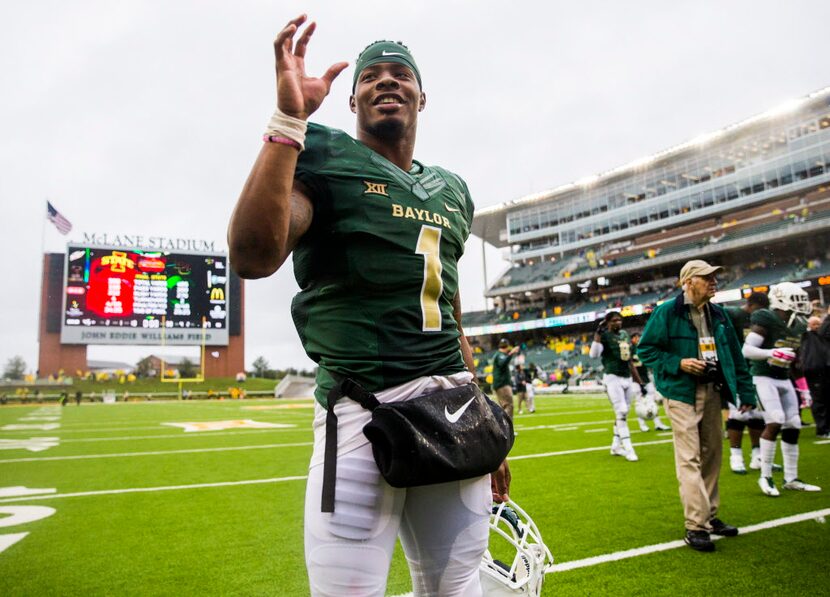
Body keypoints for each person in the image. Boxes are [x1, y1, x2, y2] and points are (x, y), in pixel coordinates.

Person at [227, 15, 510, 596]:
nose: (386, 82)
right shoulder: (324, 156)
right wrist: (288, 122)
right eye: (371, 75)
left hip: (453, 407)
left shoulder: (453, 190)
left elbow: (449, 307)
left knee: (458, 587)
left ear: (422, 96)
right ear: (353, 96)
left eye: (400, 74)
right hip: (362, 412)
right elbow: (253, 256)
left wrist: (481, 412)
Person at [638, 260, 756, 552]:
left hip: (713, 389)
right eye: (707, 277)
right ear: (688, 282)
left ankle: (710, 516)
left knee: (713, 455)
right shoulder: (667, 311)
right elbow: (646, 350)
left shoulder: (720, 314)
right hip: (680, 392)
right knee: (690, 458)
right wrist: (678, 362)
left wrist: (746, 391)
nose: (714, 281)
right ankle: (695, 525)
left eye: (715, 276)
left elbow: (736, 356)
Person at [741, 282, 822, 496]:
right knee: (775, 419)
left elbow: (794, 358)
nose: (802, 304)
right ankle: (765, 477)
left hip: (784, 377)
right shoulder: (766, 318)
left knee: (794, 423)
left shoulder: (799, 323)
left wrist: (802, 388)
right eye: (796, 300)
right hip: (763, 376)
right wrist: (771, 354)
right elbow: (747, 350)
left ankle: (791, 478)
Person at [723, 291, 772, 473]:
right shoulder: (734, 314)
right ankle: (735, 457)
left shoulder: (759, 320)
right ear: (750, 305)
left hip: (754, 369)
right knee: (738, 414)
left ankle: (757, 455)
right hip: (735, 369)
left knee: (757, 415)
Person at [590, 311, 643, 462]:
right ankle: (628, 447)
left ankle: (615, 445)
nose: (617, 323)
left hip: (626, 376)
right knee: (622, 411)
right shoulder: (605, 336)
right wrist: (598, 334)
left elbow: (630, 361)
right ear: (607, 323)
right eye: (614, 320)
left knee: (623, 414)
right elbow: (594, 354)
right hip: (612, 377)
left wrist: (639, 382)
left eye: (619, 320)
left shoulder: (625, 335)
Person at [630, 332, 671, 432]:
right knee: (640, 403)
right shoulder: (630, 349)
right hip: (635, 380)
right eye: (637, 337)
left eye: (639, 337)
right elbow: (630, 365)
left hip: (646, 378)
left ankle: (658, 423)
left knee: (652, 402)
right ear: (633, 339)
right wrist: (639, 382)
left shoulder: (642, 348)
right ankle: (642, 424)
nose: (639, 339)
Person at [802, 315, 830, 438]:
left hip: (825, 370)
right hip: (814, 371)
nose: (817, 326)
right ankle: (822, 429)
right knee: (819, 400)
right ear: (809, 325)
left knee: (826, 399)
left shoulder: (822, 337)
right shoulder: (806, 336)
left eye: (818, 324)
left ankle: (826, 427)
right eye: (814, 324)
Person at [492, 338, 520, 419]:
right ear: (507, 347)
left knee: (503, 407)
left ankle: (504, 429)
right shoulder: (500, 355)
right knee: (508, 406)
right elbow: (502, 363)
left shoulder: (498, 354)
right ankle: (508, 429)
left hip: (500, 384)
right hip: (502, 384)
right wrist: (511, 353)